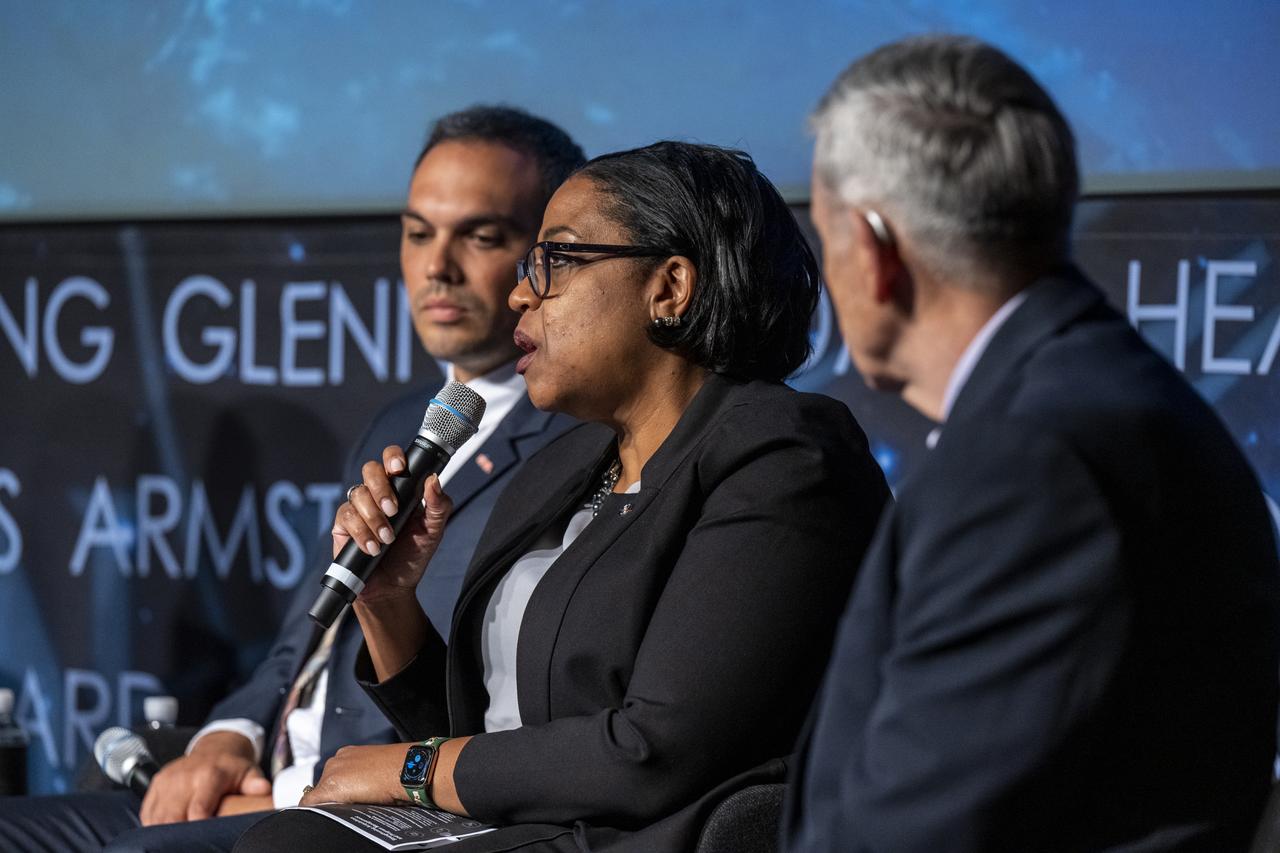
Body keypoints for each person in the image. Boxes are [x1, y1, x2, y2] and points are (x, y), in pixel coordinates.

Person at [233, 141, 891, 852]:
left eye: (556, 261)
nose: (521, 294)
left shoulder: (783, 455)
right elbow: (485, 743)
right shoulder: (564, 466)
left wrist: (410, 768)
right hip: (510, 827)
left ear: (669, 287)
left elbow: (655, 750)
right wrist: (389, 602)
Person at [0, 105, 585, 853]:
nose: (437, 266)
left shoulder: (574, 444)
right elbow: (305, 638)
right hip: (266, 782)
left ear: (546, 258)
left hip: (368, 805)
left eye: (481, 236)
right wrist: (228, 736)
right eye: (417, 233)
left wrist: (278, 793)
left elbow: (485, 702)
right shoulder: (401, 419)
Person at [783, 35, 1280, 852]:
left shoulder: (1032, 456)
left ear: (873, 247)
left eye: (823, 230)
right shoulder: (1085, 399)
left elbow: (917, 828)